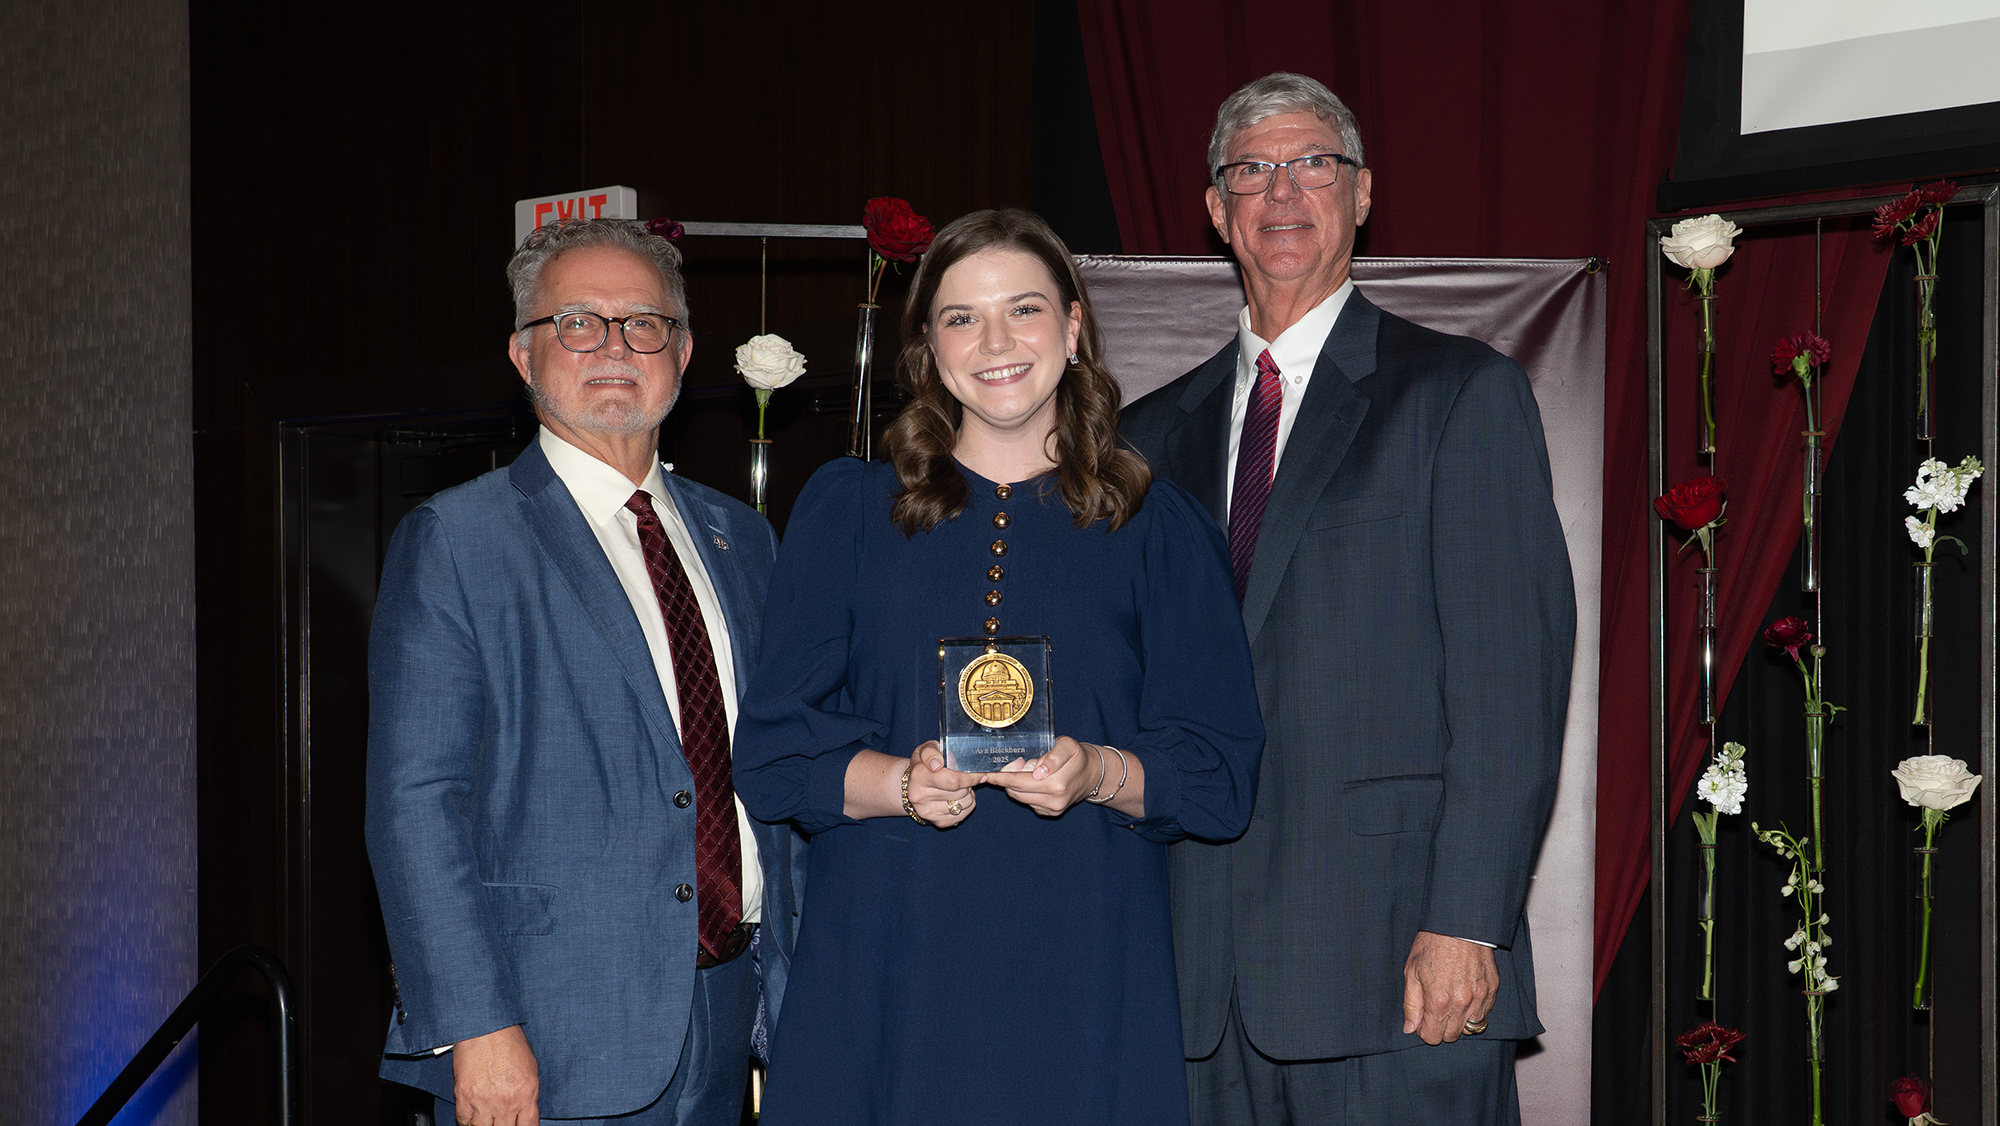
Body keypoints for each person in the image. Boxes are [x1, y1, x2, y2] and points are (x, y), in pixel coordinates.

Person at [732, 208, 1263, 1126]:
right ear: (929, 348)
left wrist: (1099, 771)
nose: (996, 342)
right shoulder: (850, 512)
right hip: (885, 962)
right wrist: (897, 782)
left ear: (1073, 324)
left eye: (1023, 309)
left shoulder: (1158, 529)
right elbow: (775, 752)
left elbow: (1219, 774)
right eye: (962, 318)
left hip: (1086, 961)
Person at [1120, 73, 1576, 1126]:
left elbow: (1508, 687)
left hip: (1396, 971)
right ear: (1213, 209)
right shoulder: (1143, 440)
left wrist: (1469, 920)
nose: (1280, 192)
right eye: (1249, 170)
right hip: (1189, 982)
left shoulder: (1456, 394)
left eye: (1311, 163)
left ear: (1362, 194)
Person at [364, 218, 805, 1125]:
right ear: (524, 355)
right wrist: (476, 1028)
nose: (614, 346)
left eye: (643, 323)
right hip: (543, 1033)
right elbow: (415, 803)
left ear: (681, 353)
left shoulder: (744, 538)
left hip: (734, 1011)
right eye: (577, 323)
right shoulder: (457, 539)